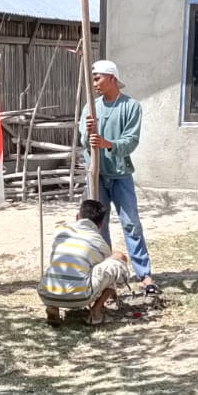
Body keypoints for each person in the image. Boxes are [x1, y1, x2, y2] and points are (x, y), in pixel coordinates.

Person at [80, 60, 159, 296]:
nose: (94, 83)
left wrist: (108, 144)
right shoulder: (91, 108)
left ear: (112, 78)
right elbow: (84, 142)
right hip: (96, 175)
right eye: (92, 79)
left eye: (97, 78)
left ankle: (144, 274)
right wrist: (89, 132)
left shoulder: (131, 107)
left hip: (120, 174)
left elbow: (131, 141)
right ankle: (106, 274)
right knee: (98, 226)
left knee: (131, 223)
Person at [38, 199, 132, 327]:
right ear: (100, 225)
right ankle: (96, 312)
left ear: (77, 217)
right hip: (80, 298)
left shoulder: (60, 232)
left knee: (60, 263)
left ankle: (53, 307)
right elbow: (103, 268)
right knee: (117, 259)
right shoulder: (99, 243)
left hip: (46, 294)